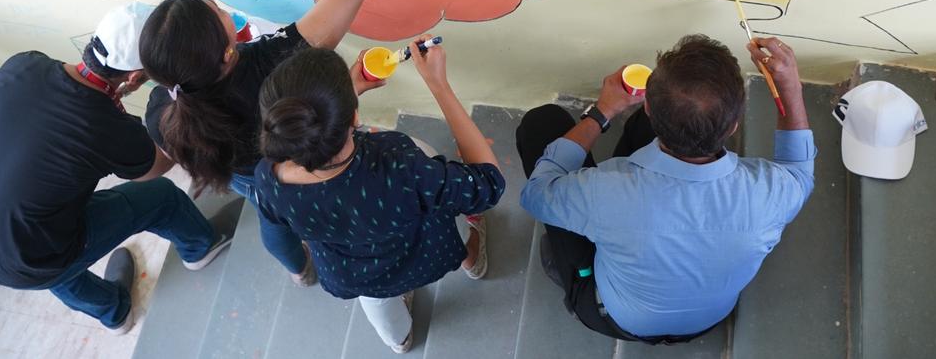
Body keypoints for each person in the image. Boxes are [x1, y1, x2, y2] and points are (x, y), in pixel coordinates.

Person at [138, 0, 372, 286]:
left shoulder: (163, 109)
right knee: (326, 206)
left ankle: (299, 270)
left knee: (273, 216)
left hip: (249, 177)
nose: (217, 4)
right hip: (300, 159)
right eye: (216, 11)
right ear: (228, 53)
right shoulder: (275, 60)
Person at [0, 12, 234, 334]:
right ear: (135, 77)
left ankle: (113, 311)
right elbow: (155, 166)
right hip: (32, 254)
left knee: (43, 253)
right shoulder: (102, 125)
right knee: (161, 197)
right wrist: (181, 116)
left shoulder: (23, 65)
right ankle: (200, 247)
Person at [517, 35, 815, 344]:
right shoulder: (772, 193)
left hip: (614, 317)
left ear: (647, 105)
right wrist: (791, 88)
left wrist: (601, 112)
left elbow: (537, 194)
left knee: (542, 123)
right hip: (706, 320)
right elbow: (799, 172)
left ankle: (572, 276)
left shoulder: (604, 191)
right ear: (733, 125)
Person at [255, 37, 503, 354]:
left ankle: (399, 341)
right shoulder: (398, 162)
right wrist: (439, 85)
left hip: (351, 273)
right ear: (355, 118)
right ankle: (472, 261)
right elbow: (489, 184)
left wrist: (345, 99)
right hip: (426, 255)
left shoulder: (268, 179)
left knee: (377, 304)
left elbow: (280, 226)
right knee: (450, 219)